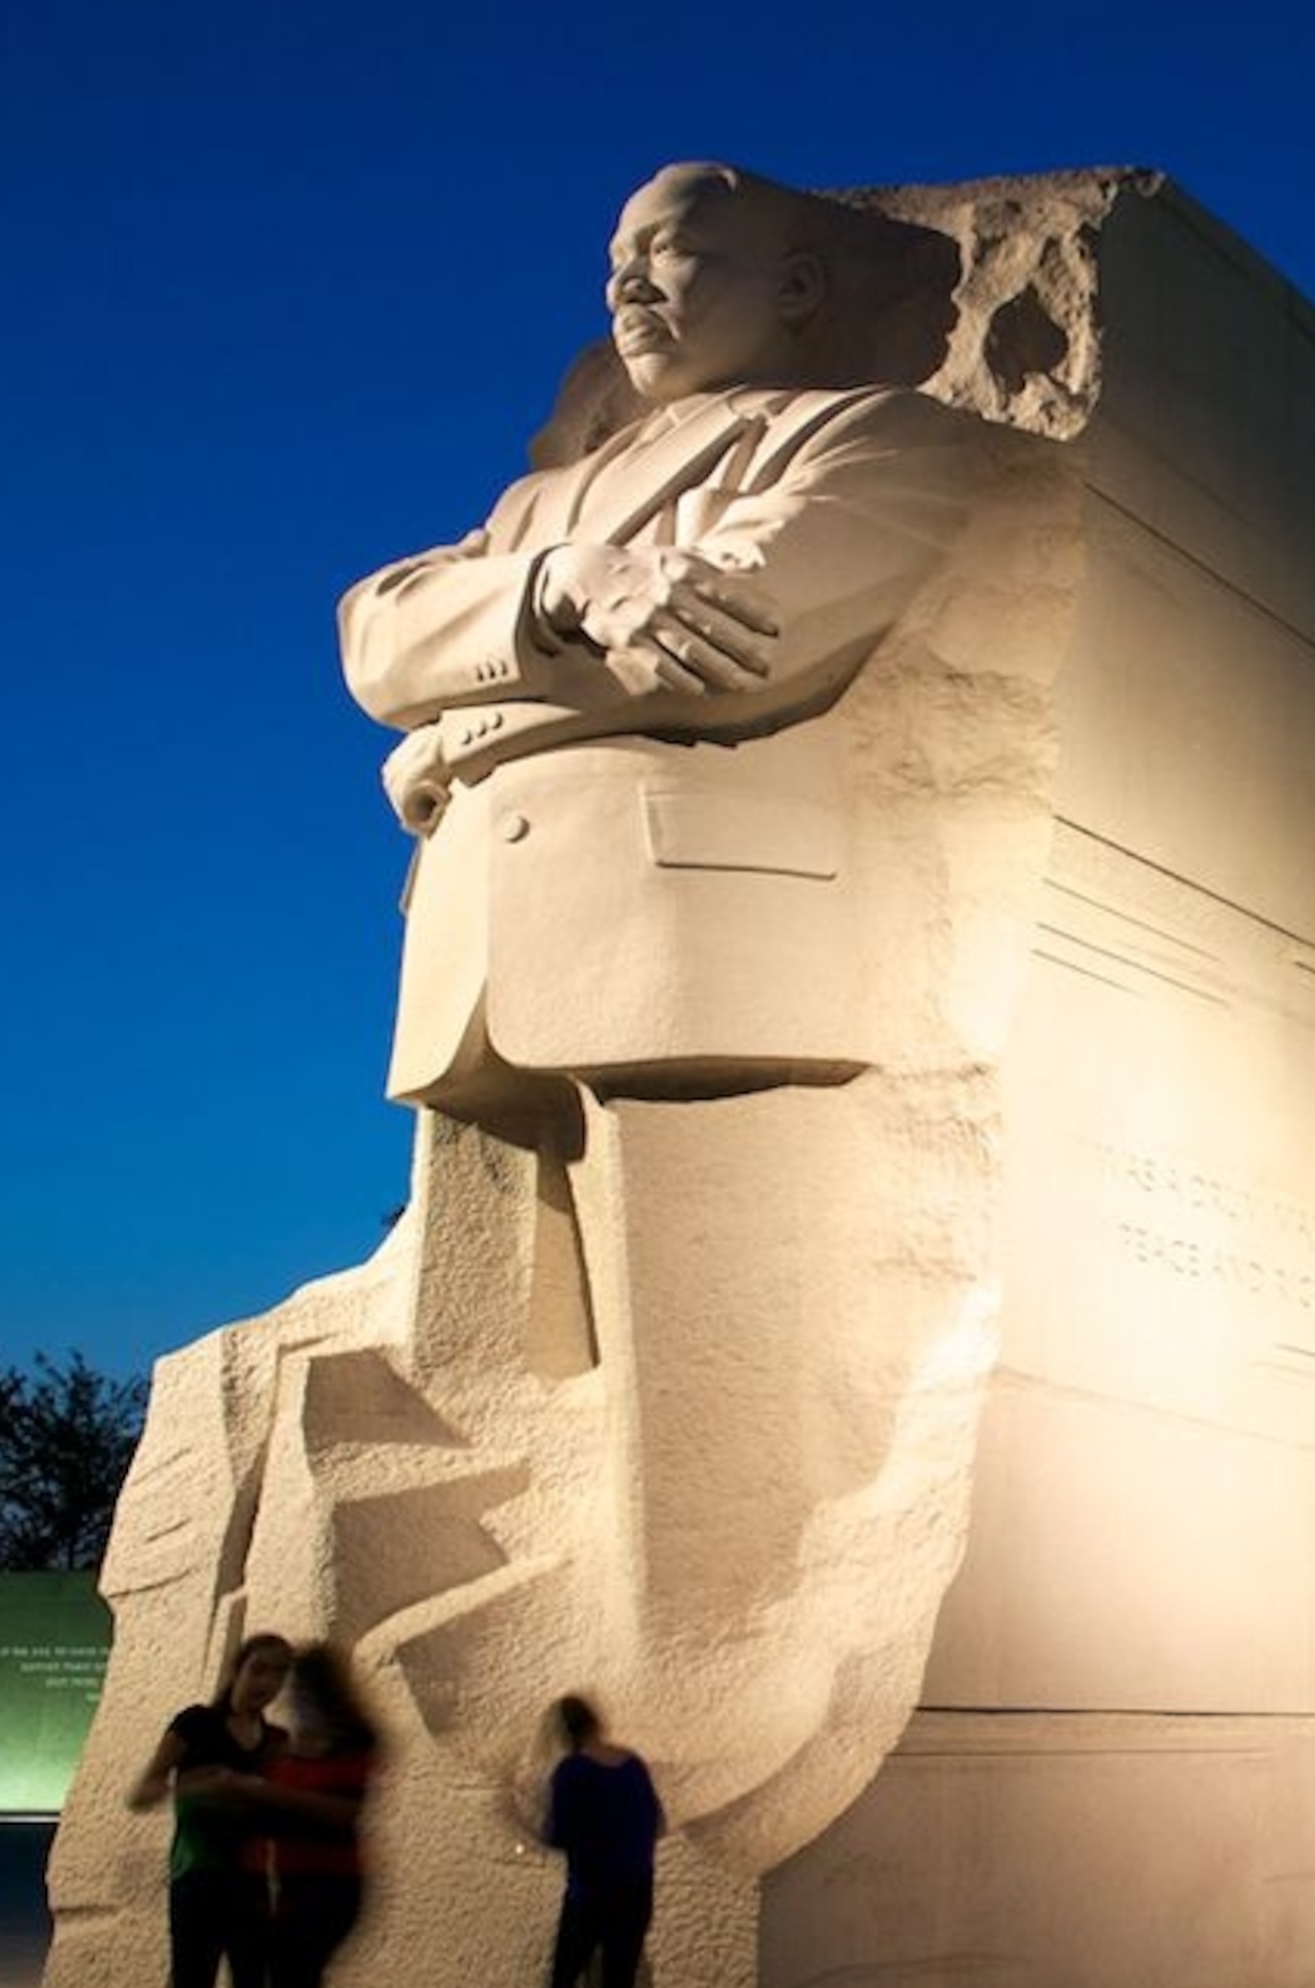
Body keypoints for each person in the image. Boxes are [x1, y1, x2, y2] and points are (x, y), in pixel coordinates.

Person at [334, 160, 1010, 1833]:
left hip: (690, 943)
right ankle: (496, 1718)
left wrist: (459, 730)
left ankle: (719, 1698)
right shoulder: (538, 504)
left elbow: (752, 634)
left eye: (672, 253)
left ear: (790, 286)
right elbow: (371, 631)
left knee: (707, 1380)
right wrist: (568, 591)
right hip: (491, 952)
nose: (628, 286)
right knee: (492, 1365)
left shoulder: (883, 440)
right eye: (613, 260)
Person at [123, 1631, 292, 1988]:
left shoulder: (275, 1742)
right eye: (259, 1670)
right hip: (197, 1880)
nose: (266, 1684)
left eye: (278, 1675)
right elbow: (143, 1791)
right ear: (236, 1669)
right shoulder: (194, 1724)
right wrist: (203, 1783)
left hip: (250, 1886)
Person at [248, 1645, 385, 1988]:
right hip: (297, 1886)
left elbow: (345, 1812)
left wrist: (271, 1795)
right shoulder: (297, 1743)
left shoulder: (354, 1740)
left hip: (329, 1889)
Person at [540, 1693, 665, 1988]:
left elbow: (559, 1834)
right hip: (635, 1894)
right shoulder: (631, 1765)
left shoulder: (572, 1772)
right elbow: (657, 1823)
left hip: (589, 1894)